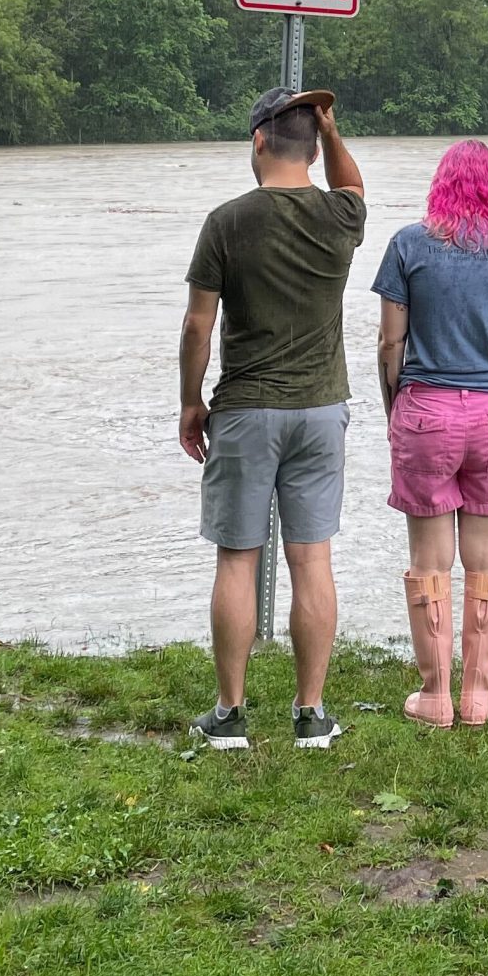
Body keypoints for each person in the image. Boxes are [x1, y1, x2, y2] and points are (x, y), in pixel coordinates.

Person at [178, 86, 366, 750]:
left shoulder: (227, 222)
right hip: (320, 410)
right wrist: (332, 133)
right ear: (314, 147)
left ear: (258, 141)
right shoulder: (340, 218)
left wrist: (190, 401)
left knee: (237, 560)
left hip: (248, 409)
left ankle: (230, 716)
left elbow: (199, 325)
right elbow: (354, 184)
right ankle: (311, 714)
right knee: (312, 559)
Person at [371, 139, 488, 728]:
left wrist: (396, 406)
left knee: (429, 561)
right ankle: (478, 697)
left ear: (439, 185)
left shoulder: (408, 246)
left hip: (426, 409)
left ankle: (435, 696)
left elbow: (391, 343)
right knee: (487, 561)